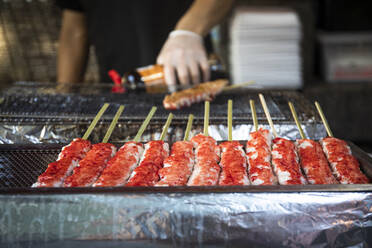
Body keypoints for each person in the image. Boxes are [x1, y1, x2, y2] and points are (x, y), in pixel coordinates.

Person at [56, 0, 234, 87]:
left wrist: (187, 33)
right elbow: (74, 29)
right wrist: (64, 96)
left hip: (190, 84)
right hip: (119, 89)